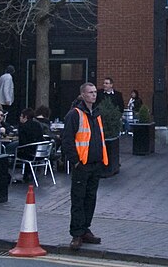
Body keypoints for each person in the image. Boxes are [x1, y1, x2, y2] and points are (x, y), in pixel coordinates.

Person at [61, 82, 107, 250]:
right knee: (78, 200)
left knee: (90, 199)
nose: (94, 95)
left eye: (95, 92)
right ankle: (76, 234)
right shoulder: (75, 114)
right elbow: (67, 141)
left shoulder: (96, 113)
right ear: (83, 95)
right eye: (90, 92)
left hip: (95, 164)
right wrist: (76, 162)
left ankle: (85, 229)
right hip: (82, 165)